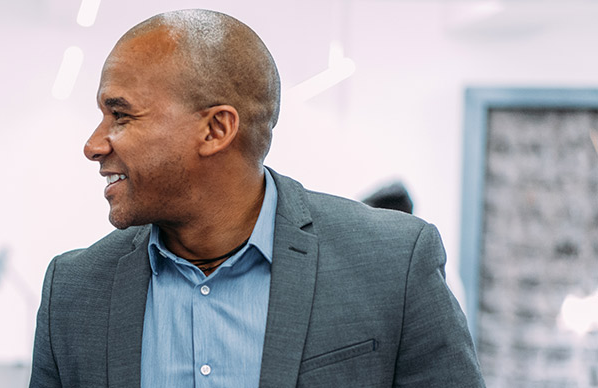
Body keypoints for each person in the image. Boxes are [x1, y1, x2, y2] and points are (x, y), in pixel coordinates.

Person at [29, 9, 483, 388]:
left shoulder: (393, 264)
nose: (93, 144)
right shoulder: (73, 291)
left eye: (120, 115)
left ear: (216, 129)